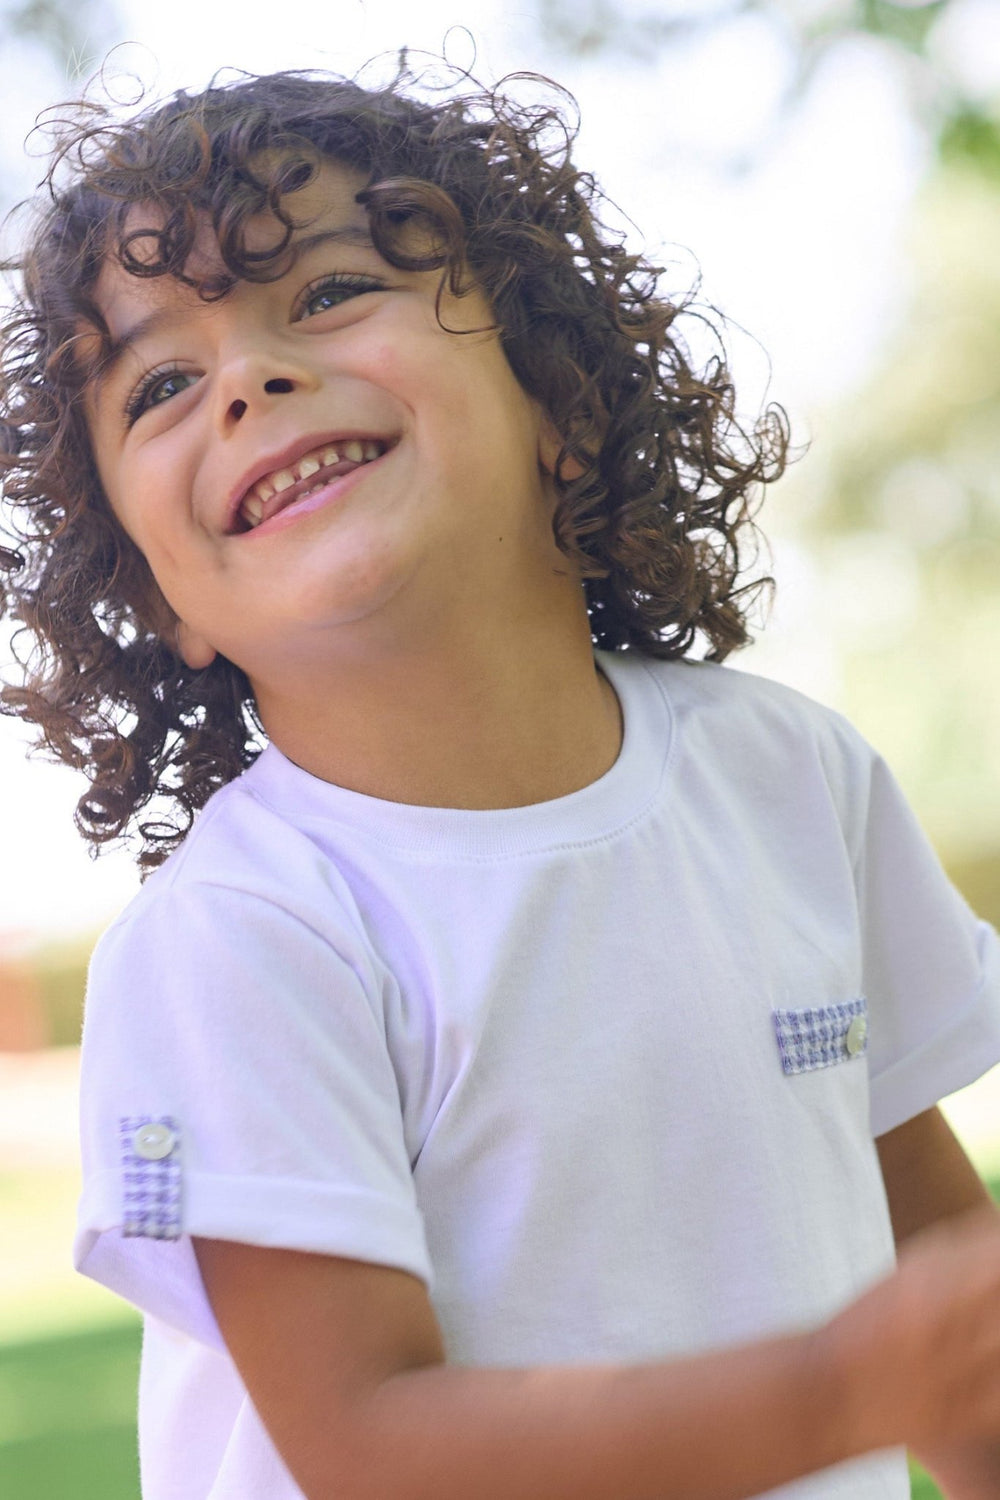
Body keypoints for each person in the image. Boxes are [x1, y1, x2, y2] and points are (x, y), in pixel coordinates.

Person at [2, 60, 1000, 1500]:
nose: (248, 380)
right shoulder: (243, 936)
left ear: (561, 403)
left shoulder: (793, 782)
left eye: (332, 291)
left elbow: (951, 1297)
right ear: (168, 605)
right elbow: (367, 1442)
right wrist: (841, 1389)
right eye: (161, 382)